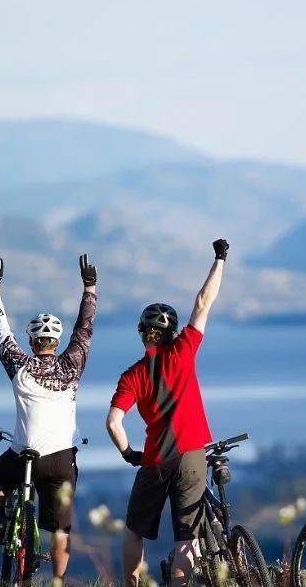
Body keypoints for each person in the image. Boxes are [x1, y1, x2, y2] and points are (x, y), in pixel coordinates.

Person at [105, 239, 229, 587]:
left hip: (156, 458)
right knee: (186, 534)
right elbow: (204, 301)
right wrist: (220, 259)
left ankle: (131, 583)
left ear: (143, 334)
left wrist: (129, 452)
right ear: (171, 333)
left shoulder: (132, 376)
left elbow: (113, 422)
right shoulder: (184, 351)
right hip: (192, 455)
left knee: (134, 529)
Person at [0, 253, 97, 581]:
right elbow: (85, 328)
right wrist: (90, 287)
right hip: (62, 459)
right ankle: (58, 581)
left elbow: (1, 333)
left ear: (32, 342)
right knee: (61, 531)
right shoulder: (72, 365)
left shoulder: (21, 365)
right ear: (57, 342)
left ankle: (2, 519)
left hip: (24, 454)